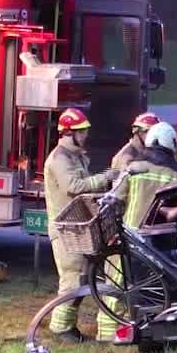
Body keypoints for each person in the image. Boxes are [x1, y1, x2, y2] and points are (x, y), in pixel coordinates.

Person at [98, 123, 177, 337]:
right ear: (171, 145)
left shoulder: (135, 168)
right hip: (158, 244)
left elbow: (116, 198)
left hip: (128, 236)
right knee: (149, 290)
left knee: (115, 287)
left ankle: (105, 335)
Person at [43, 108, 119, 341]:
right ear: (68, 133)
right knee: (72, 279)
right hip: (65, 230)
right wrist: (106, 178)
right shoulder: (59, 159)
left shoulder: (74, 156)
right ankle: (61, 329)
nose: (85, 135)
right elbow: (73, 186)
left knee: (83, 278)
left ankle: (67, 326)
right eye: (81, 131)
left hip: (77, 228)